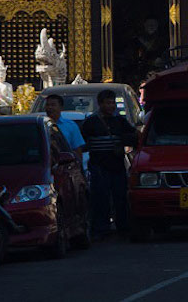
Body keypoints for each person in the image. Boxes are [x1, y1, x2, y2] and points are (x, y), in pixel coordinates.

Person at [81, 90, 138, 237]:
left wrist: (122, 142)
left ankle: (123, 227)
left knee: (120, 197)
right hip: (99, 166)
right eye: (108, 103)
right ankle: (101, 228)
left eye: (112, 102)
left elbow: (134, 136)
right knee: (100, 198)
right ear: (100, 104)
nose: (111, 106)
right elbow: (82, 143)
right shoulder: (90, 122)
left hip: (117, 165)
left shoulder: (120, 121)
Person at [44, 94, 87, 170]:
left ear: (61, 108)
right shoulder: (41, 125)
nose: (49, 108)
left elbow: (77, 150)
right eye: (47, 105)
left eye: (53, 105)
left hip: (65, 168)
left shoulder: (71, 126)